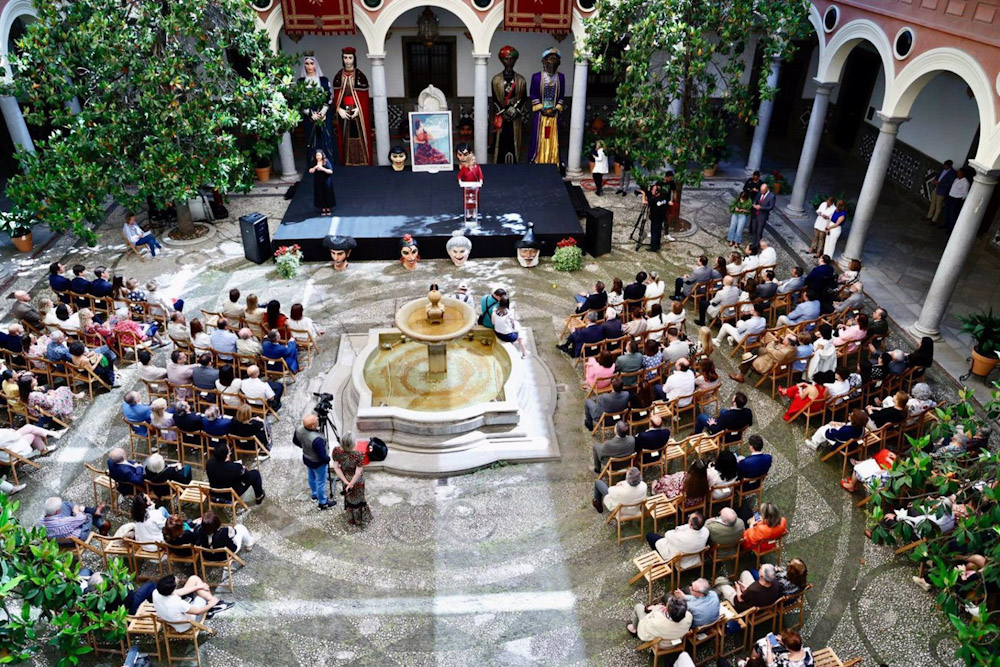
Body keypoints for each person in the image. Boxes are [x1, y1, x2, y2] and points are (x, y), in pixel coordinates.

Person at [331, 47, 373, 165]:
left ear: (354, 58)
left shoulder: (360, 76)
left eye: (350, 58)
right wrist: (339, 109)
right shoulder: (339, 76)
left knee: (359, 137)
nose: (348, 61)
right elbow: (336, 96)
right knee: (345, 138)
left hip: (357, 113)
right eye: (345, 58)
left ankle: (363, 161)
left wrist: (359, 109)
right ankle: (347, 161)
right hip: (344, 112)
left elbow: (364, 98)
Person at [152, 574, 232, 632]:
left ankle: (214, 603)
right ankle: (214, 605)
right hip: (187, 624)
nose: (177, 579)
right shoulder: (177, 603)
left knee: (194, 579)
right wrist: (211, 603)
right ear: (172, 589)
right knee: (202, 596)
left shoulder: (156, 592)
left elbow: (178, 592)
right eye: (176, 582)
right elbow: (198, 612)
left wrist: (198, 587)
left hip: (169, 618)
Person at [490, 45, 528, 164]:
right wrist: (503, 111)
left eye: (512, 59)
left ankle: (516, 163)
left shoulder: (521, 80)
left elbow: (523, 98)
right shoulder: (496, 80)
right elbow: (495, 99)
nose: (509, 61)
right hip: (502, 117)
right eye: (506, 59)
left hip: (515, 118)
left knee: (515, 141)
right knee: (500, 141)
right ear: (502, 60)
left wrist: (516, 111)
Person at [528, 47, 565, 164]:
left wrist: (556, 108)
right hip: (541, 115)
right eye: (550, 58)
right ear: (544, 61)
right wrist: (541, 108)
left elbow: (562, 96)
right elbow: (533, 94)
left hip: (554, 114)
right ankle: (538, 160)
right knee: (540, 138)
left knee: (554, 139)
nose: (552, 61)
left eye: (555, 59)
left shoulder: (561, 77)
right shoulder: (536, 77)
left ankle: (553, 161)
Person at [331, 431, 372, 526]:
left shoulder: (336, 451)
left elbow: (336, 467)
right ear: (353, 443)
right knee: (359, 498)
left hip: (345, 477)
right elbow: (358, 473)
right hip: (357, 481)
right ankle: (360, 518)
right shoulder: (359, 455)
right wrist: (352, 483)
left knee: (349, 497)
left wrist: (346, 482)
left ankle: (351, 518)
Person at [296, 413, 334, 510]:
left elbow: (295, 441)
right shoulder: (317, 439)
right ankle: (323, 502)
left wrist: (305, 447)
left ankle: (314, 494)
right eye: (316, 420)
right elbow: (322, 456)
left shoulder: (299, 429)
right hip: (318, 463)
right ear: (313, 426)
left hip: (307, 458)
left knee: (311, 476)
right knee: (321, 482)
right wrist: (328, 459)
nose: (318, 419)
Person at [646, 512, 710, 569]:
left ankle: (658, 556)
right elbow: (689, 527)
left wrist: (676, 531)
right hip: (692, 556)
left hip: (677, 558)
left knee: (650, 536)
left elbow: (667, 534)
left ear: (690, 524)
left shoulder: (681, 537)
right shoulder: (706, 532)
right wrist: (681, 528)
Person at [730, 331, 798, 384]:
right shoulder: (794, 348)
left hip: (768, 364)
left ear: (788, 342)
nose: (783, 338)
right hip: (772, 359)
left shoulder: (784, 352)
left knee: (748, 359)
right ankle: (751, 357)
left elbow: (770, 350)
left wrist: (772, 342)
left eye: (785, 338)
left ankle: (740, 377)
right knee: (757, 350)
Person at [715, 563, 783, 613]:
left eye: (760, 569)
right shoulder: (776, 583)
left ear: (761, 576)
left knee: (720, 582)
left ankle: (717, 596)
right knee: (745, 573)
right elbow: (754, 590)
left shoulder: (753, 589)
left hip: (743, 605)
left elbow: (740, 599)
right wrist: (747, 588)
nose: (759, 568)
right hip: (761, 601)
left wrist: (738, 588)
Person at [627, 595, 692, 644]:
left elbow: (642, 634)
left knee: (638, 606)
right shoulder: (689, 617)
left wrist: (654, 611)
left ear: (667, 610)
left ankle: (634, 629)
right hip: (676, 641)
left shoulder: (656, 621)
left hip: (661, 644)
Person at [38, 495, 109, 539]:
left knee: (65, 504)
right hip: (79, 537)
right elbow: (82, 518)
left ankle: (95, 511)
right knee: (88, 515)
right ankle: (101, 525)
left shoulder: (39, 524)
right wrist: (76, 512)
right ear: (57, 512)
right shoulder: (66, 521)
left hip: (60, 541)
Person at [643, 180, 674, 251]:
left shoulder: (654, 200)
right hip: (661, 218)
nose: (652, 191)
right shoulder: (664, 198)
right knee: (658, 232)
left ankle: (653, 248)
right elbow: (670, 203)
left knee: (654, 233)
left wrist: (643, 193)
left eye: (653, 190)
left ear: (657, 192)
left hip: (655, 218)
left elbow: (644, 202)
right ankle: (657, 245)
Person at [926, 159, 956, 224]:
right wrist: (935, 180)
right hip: (936, 188)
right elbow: (938, 176)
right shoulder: (942, 169)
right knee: (932, 203)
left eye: (946, 166)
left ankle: (934, 220)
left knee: (938, 206)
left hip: (942, 191)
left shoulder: (952, 173)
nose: (944, 167)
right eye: (944, 165)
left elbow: (949, 185)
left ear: (950, 166)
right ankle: (929, 216)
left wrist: (939, 183)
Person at [309, 149, 336, 215]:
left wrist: (322, 169)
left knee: (327, 192)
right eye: (317, 155)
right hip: (318, 180)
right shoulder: (314, 162)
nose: (318, 157)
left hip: (326, 180)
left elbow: (330, 171)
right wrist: (315, 167)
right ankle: (323, 207)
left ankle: (328, 207)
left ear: (322, 155)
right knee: (320, 193)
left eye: (319, 155)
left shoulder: (326, 161)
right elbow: (310, 171)